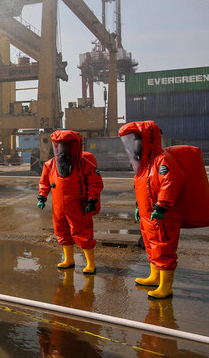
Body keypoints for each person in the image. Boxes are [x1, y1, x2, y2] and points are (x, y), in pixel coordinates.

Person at [118, 121, 185, 299]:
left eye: (137, 141)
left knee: (163, 247)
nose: (134, 147)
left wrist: (162, 205)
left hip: (162, 215)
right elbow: (142, 189)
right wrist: (138, 207)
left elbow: (171, 183)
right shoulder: (143, 167)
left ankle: (166, 287)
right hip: (147, 215)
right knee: (151, 246)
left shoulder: (162, 160)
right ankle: (155, 276)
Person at [38, 130, 104, 274]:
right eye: (59, 146)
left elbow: (95, 182)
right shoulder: (50, 165)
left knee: (83, 232)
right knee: (61, 232)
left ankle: (90, 263)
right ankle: (69, 259)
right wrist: (42, 196)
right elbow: (44, 182)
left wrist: (92, 199)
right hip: (59, 207)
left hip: (78, 205)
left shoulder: (84, 163)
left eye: (65, 146)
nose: (62, 150)